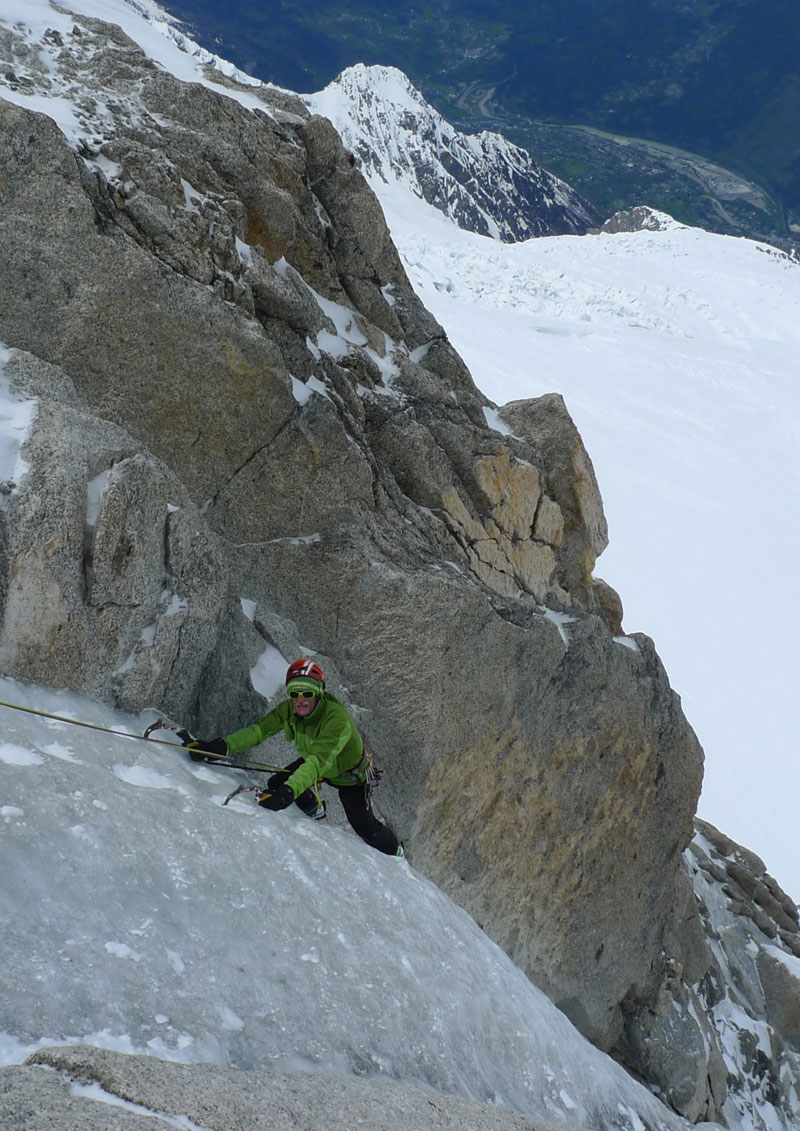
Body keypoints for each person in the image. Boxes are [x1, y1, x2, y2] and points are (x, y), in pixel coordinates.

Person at [189, 659, 403, 857]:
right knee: (277, 782)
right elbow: (259, 731)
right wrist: (220, 747)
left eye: (307, 693)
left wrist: (288, 794)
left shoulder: (336, 719)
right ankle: (315, 811)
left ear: (318, 694)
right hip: (319, 764)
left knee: (365, 828)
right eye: (294, 693)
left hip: (349, 777)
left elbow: (318, 762)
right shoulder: (289, 710)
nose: (300, 700)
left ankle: (397, 853)